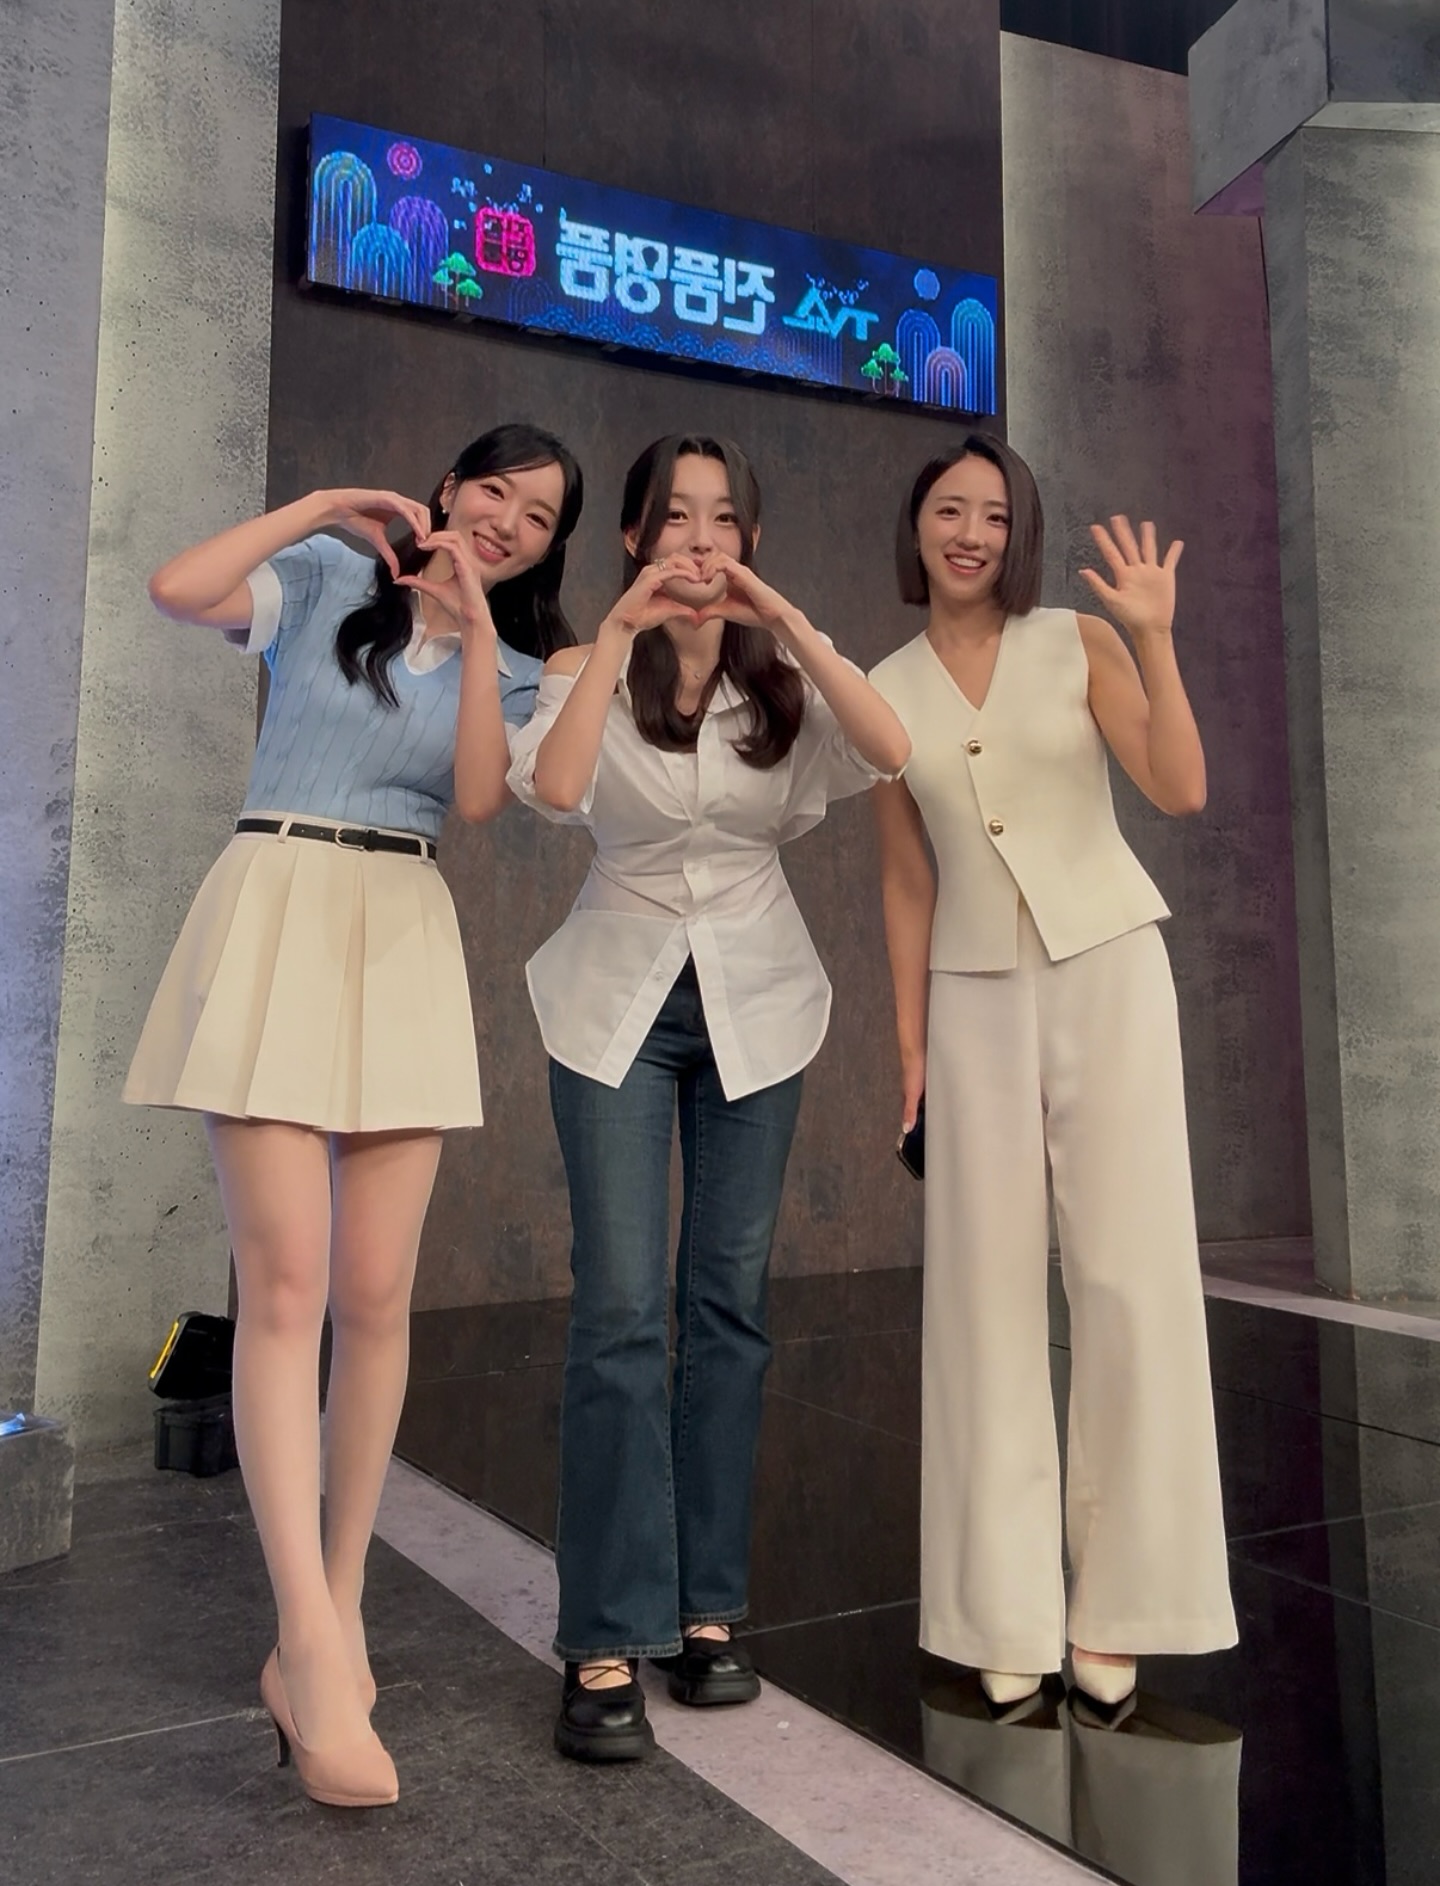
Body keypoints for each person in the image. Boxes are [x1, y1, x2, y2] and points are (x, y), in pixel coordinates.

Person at [125, 425, 584, 1804]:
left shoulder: (521, 664)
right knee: (285, 1287)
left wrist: (480, 624)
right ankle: (310, 1642)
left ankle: (338, 1608)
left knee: (376, 1296)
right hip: (274, 898)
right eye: (493, 490)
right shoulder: (329, 580)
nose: (507, 520)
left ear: (549, 549)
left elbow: (481, 799)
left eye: (539, 516)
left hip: (401, 922)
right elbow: (175, 587)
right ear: (446, 490)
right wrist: (326, 505)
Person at [507, 433, 910, 1762]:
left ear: (748, 540)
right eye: (673, 518)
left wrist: (781, 617)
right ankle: (605, 1631)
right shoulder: (582, 667)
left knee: (727, 1309)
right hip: (614, 1005)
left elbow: (892, 748)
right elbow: (555, 790)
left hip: (758, 1001)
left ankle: (708, 1610)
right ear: (631, 537)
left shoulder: (785, 675)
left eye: (723, 520)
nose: (697, 541)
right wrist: (621, 631)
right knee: (622, 1310)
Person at [870, 432, 1236, 1721]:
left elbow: (1179, 788)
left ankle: (1126, 1607)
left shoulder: (1079, 641)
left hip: (1108, 967)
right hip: (969, 995)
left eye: (992, 513)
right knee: (981, 1293)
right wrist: (910, 1045)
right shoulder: (883, 686)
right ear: (916, 526)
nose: (969, 532)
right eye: (948, 510)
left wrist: (1155, 640)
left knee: (1131, 1277)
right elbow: (905, 877)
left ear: (1017, 531)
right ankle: (1000, 1611)